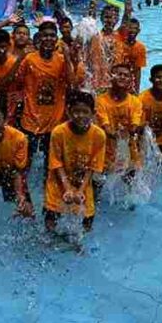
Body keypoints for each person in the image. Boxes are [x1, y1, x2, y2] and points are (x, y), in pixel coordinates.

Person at [9, 20, 81, 181]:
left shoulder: (62, 60)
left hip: (54, 121)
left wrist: (68, 58)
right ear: (39, 38)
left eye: (52, 36)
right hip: (30, 119)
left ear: (57, 39)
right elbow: (17, 81)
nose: (48, 39)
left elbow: (73, 85)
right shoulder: (29, 59)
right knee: (24, 163)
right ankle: (22, 196)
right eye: (45, 36)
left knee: (52, 166)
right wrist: (21, 92)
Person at [43, 91, 106, 234]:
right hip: (58, 181)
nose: (80, 116)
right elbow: (56, 163)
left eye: (85, 112)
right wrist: (67, 188)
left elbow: (93, 167)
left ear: (93, 113)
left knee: (87, 223)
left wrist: (80, 190)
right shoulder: (58, 132)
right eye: (76, 111)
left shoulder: (99, 135)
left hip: (82, 182)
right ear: (68, 111)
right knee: (51, 221)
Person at [95, 63, 144, 184]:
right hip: (106, 151)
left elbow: (135, 124)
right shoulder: (100, 100)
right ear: (111, 77)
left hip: (129, 151)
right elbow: (105, 125)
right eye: (119, 74)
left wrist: (134, 129)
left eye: (126, 75)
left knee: (130, 186)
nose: (122, 77)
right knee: (98, 185)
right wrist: (116, 133)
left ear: (130, 80)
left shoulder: (135, 102)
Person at [139, 64, 162, 164]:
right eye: (158, 77)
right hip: (145, 140)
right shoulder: (142, 99)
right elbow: (140, 126)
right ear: (151, 79)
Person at [117, 17, 147, 92]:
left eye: (135, 28)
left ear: (138, 31)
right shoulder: (118, 43)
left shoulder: (141, 47)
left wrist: (137, 89)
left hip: (130, 80)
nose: (132, 30)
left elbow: (138, 70)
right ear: (126, 29)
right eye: (130, 28)